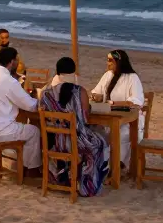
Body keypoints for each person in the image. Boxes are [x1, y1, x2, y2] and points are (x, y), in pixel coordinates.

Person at [38, 63, 110, 197]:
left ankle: (62, 176)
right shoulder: (80, 92)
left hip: (54, 143)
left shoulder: (45, 93)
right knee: (101, 142)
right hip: (75, 143)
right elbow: (85, 120)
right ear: (73, 73)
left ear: (57, 73)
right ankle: (86, 184)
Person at [0, 46, 41, 176]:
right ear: (12, 62)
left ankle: (22, 163)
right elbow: (31, 106)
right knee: (34, 131)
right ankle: (31, 169)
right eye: (16, 60)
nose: (18, 63)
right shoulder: (9, 81)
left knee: (21, 126)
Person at [90, 49, 146, 170]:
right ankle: (101, 165)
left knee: (122, 134)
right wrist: (97, 96)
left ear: (118, 62)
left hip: (127, 119)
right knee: (93, 131)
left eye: (110, 60)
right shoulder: (107, 75)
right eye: (107, 60)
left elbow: (135, 102)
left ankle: (116, 166)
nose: (107, 63)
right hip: (107, 116)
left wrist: (113, 103)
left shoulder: (132, 78)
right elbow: (96, 91)